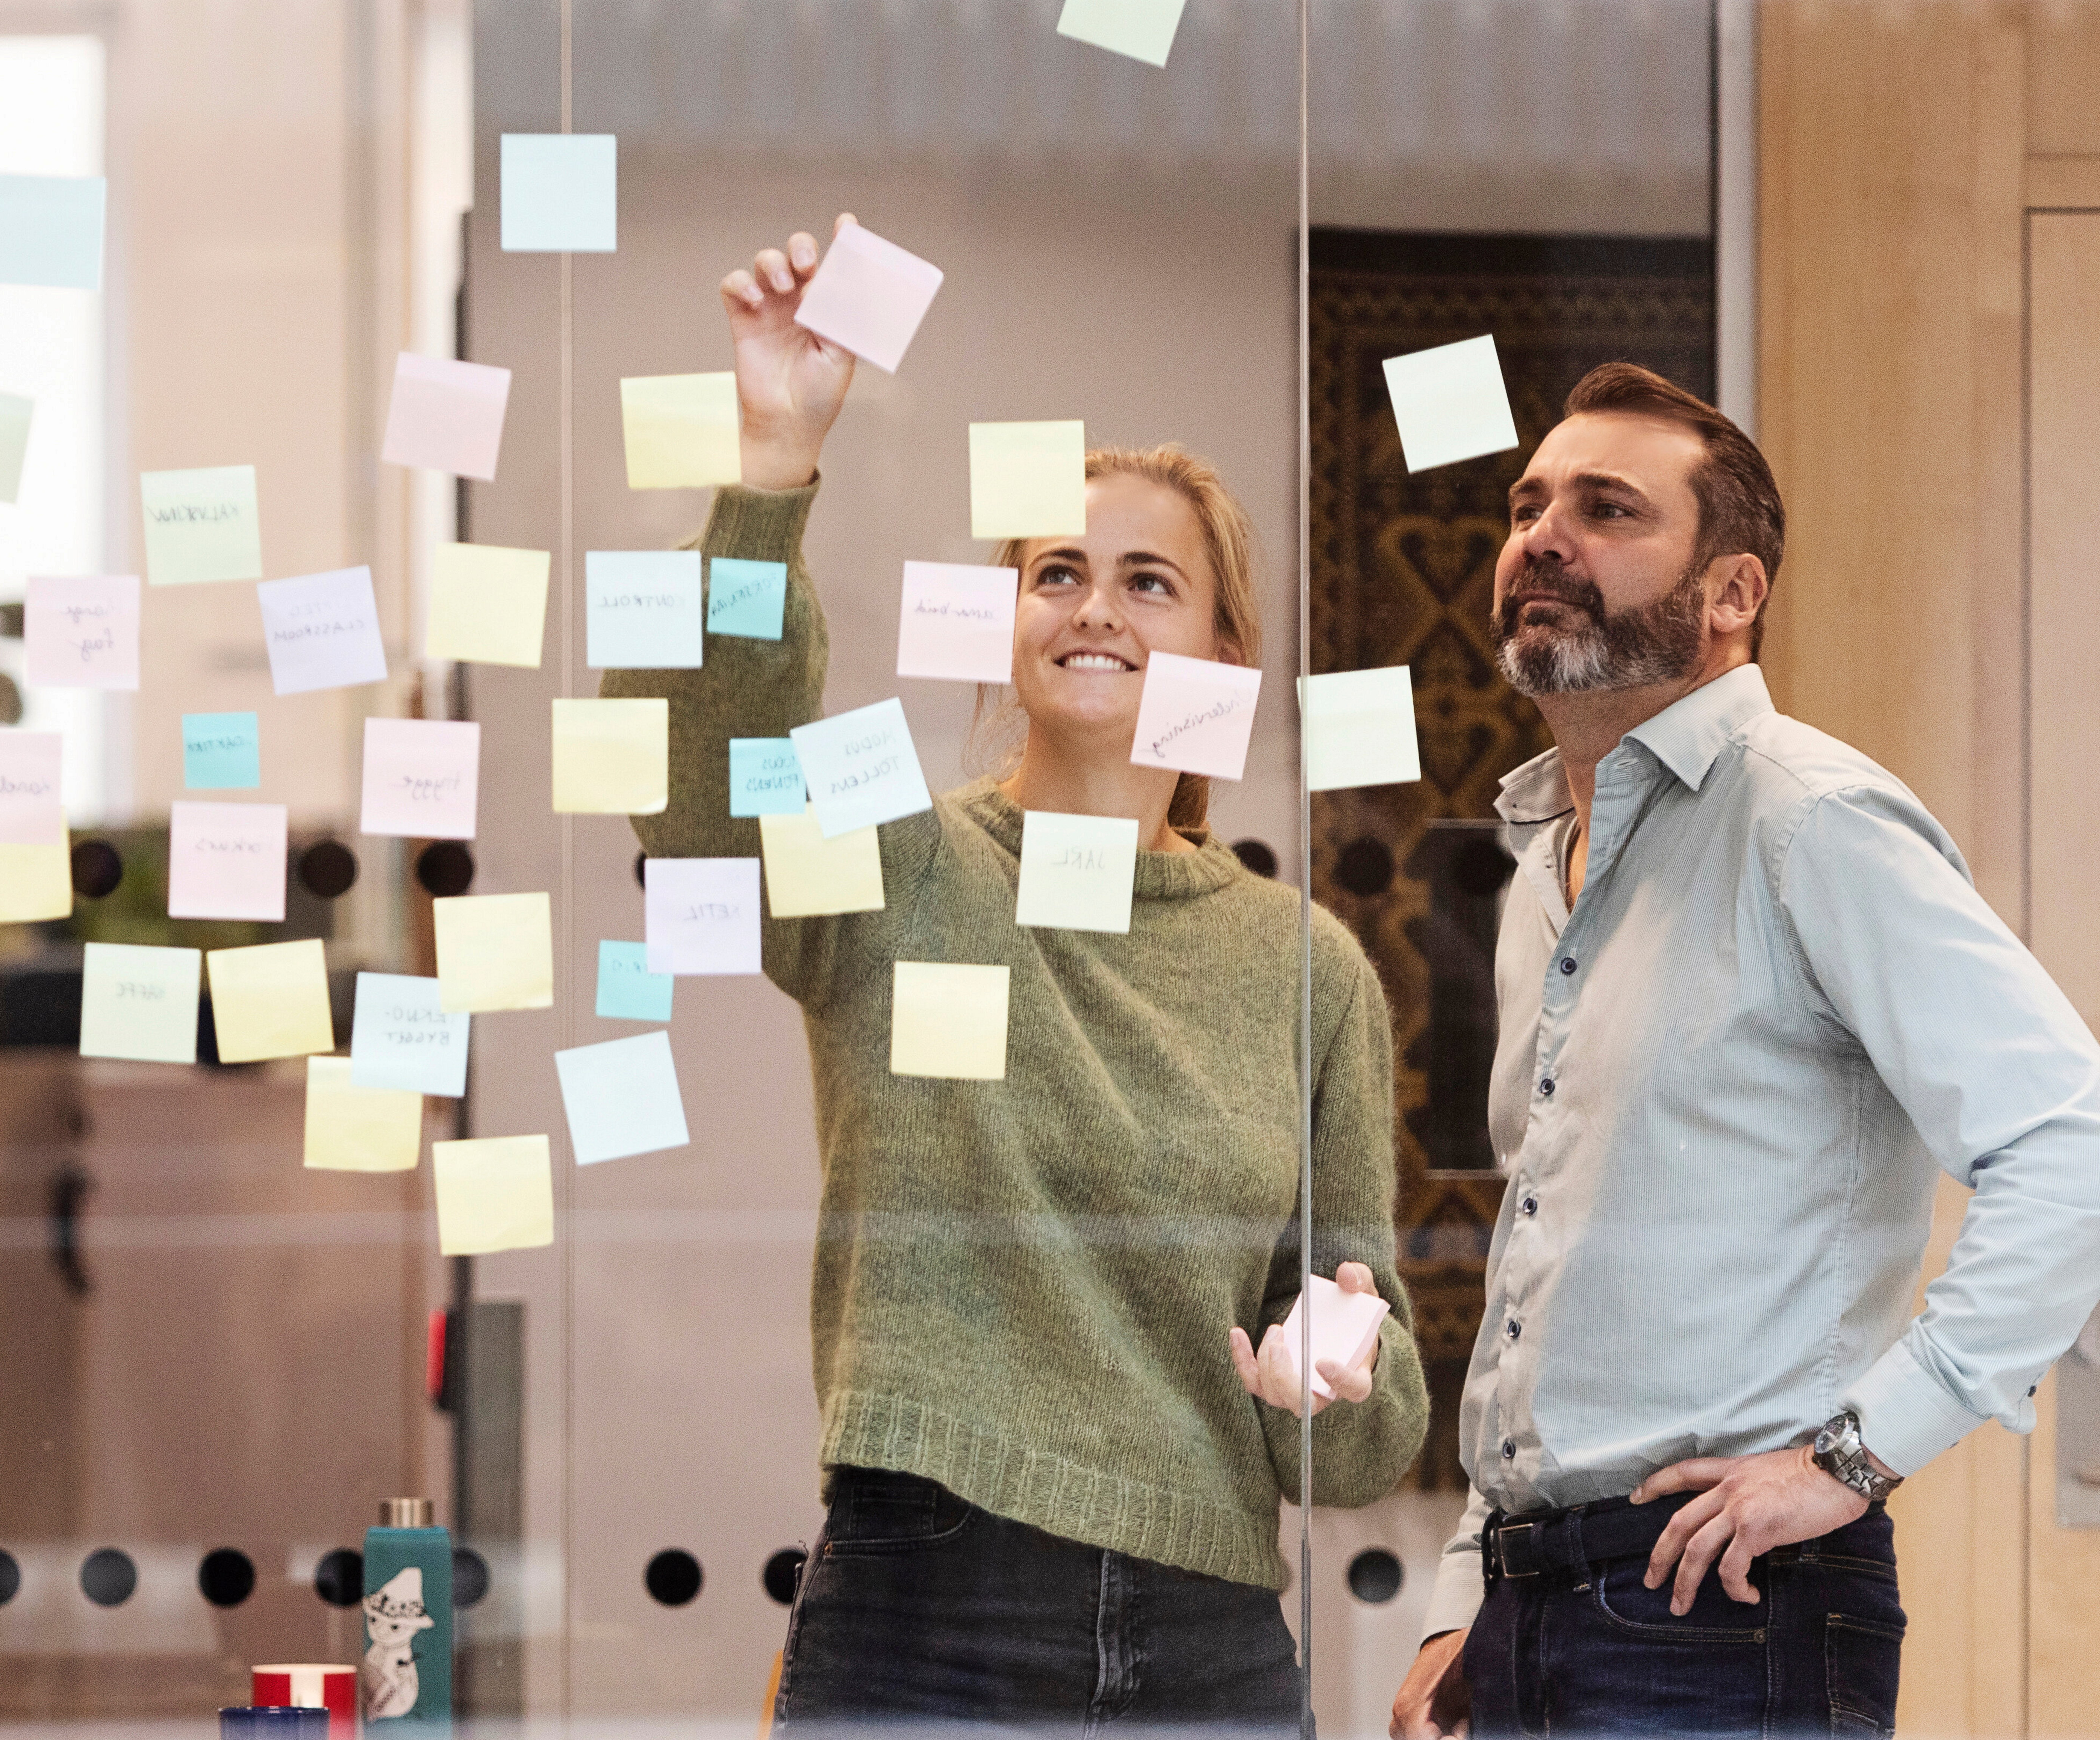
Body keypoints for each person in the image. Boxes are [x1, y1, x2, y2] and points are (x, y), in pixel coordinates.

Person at [608, 218, 1429, 1730]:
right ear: (1005, 628)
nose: (1098, 608)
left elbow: (1366, 1444)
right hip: (929, 1612)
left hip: (1209, 1638)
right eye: (1058, 572)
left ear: (1224, 656)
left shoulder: (1306, 969)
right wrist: (773, 460)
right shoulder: (909, 871)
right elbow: (691, 787)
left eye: (1149, 582)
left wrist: (1335, 1384)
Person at [1386, 363, 2100, 1738]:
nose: (1543, 535)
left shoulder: (1808, 820)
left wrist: (1855, 1458)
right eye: (1529, 503)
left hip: (1727, 1609)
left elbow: (2069, 1146)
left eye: (1607, 509)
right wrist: (1468, 1590)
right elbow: (1548, 1277)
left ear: (1731, 596)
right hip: (1533, 1612)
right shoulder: (1546, 867)